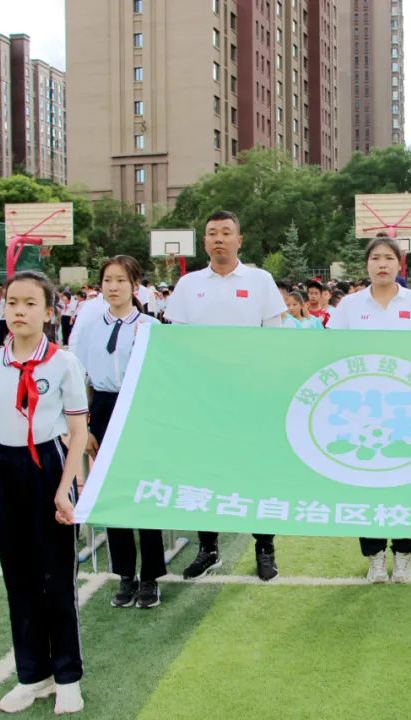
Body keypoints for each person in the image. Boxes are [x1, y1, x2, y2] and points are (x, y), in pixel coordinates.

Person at [0, 270, 89, 715]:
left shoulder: (63, 362)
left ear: (49, 312)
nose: (18, 311)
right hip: (1, 469)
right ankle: (32, 675)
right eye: (11, 303)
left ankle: (67, 676)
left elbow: (78, 433)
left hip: (46, 466)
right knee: (18, 579)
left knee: (55, 578)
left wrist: (65, 491)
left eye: (29, 304)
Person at [164, 210, 287, 582]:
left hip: (250, 396)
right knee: (206, 470)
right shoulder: (188, 285)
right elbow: (177, 342)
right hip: (204, 398)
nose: (219, 238)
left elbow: (276, 340)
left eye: (226, 232)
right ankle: (208, 548)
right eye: (212, 233)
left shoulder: (261, 280)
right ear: (204, 242)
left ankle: (264, 548)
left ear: (239, 240)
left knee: (256, 471)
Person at [327, 235, 411, 583]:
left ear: (399, 264)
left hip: (407, 409)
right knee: (367, 483)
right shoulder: (349, 306)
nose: (382, 264)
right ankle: (374, 557)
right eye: (376, 258)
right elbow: (330, 351)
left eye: (389, 257)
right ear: (367, 265)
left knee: (407, 481)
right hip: (361, 409)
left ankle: (404, 556)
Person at [72, 256, 167, 610]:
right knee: (114, 493)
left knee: (144, 491)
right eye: (107, 281)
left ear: (135, 286)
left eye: (120, 281)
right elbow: (80, 379)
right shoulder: (91, 327)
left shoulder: (150, 326)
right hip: (103, 408)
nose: (112, 287)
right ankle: (125, 574)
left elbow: (160, 377)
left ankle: (151, 576)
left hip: (140, 409)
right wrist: (84, 427)